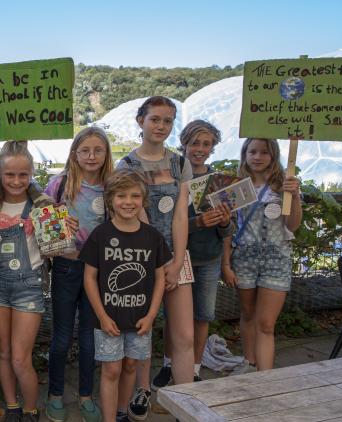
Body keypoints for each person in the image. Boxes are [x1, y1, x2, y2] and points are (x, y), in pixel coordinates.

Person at [117, 96, 192, 421]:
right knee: (143, 330)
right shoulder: (127, 166)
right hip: (143, 261)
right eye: (155, 119)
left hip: (177, 259)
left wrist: (175, 263)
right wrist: (159, 265)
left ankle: (190, 400)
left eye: (168, 121)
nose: (161, 126)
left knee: (184, 334)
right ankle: (142, 390)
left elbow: (180, 215)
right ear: (141, 121)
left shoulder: (180, 163)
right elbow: (137, 218)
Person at [81, 168, 169, 422]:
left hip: (141, 319)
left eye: (134, 196)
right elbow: (89, 277)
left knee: (131, 365)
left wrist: (152, 315)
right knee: (111, 369)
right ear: (110, 200)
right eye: (121, 196)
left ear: (143, 199)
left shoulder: (152, 237)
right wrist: (102, 315)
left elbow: (161, 277)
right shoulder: (101, 235)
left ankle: (122, 413)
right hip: (108, 319)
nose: (128, 202)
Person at [43, 126, 113, 422]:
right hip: (66, 266)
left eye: (98, 150)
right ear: (74, 154)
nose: (91, 156)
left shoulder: (112, 185)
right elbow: (42, 227)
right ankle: (55, 394)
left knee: (88, 337)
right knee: (60, 336)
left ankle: (85, 395)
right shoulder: (59, 185)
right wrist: (58, 227)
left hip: (98, 271)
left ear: (107, 153)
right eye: (85, 150)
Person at [221, 138, 302, 372]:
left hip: (276, 259)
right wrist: (226, 264)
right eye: (252, 151)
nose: (257, 157)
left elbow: (293, 225)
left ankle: (265, 378)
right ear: (245, 154)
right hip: (244, 257)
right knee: (247, 314)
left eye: (264, 152)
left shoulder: (283, 185)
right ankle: (249, 363)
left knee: (266, 323)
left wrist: (294, 196)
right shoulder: (237, 186)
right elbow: (228, 229)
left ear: (273, 155)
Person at [0, 141, 54, 422]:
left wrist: (59, 229)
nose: (16, 181)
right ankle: (12, 406)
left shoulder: (42, 205)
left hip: (29, 286)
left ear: (32, 174)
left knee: (19, 357)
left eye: (23, 175)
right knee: (3, 352)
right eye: (10, 175)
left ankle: (30, 409)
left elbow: (59, 248)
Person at [178, 120, 232, 380]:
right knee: (177, 318)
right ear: (184, 144)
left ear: (213, 147)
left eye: (206, 144)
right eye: (195, 143)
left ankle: (195, 369)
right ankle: (170, 365)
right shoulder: (175, 175)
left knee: (202, 316)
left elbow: (226, 231)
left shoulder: (218, 181)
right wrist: (195, 223)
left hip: (210, 257)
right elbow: (167, 224)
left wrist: (224, 221)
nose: (200, 149)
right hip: (180, 257)